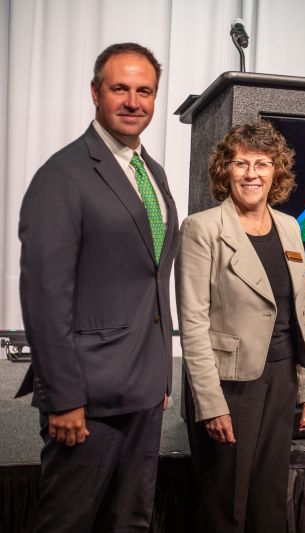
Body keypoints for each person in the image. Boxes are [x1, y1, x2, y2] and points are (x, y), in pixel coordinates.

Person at [16, 42, 178, 531]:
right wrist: (63, 397)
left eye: (145, 91)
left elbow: (151, 277)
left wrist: (161, 376)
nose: (134, 101)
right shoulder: (62, 175)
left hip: (145, 390)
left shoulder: (154, 174)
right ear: (95, 93)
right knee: (68, 521)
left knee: (131, 521)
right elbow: (45, 297)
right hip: (87, 397)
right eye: (120, 89)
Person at [177, 120, 305, 532]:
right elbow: (192, 322)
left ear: (277, 171)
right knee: (226, 502)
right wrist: (210, 403)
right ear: (226, 169)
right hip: (230, 385)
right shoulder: (203, 228)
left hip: (282, 377)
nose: (251, 173)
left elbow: (302, 315)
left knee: (270, 498)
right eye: (241, 163)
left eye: (262, 163)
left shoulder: (291, 227)